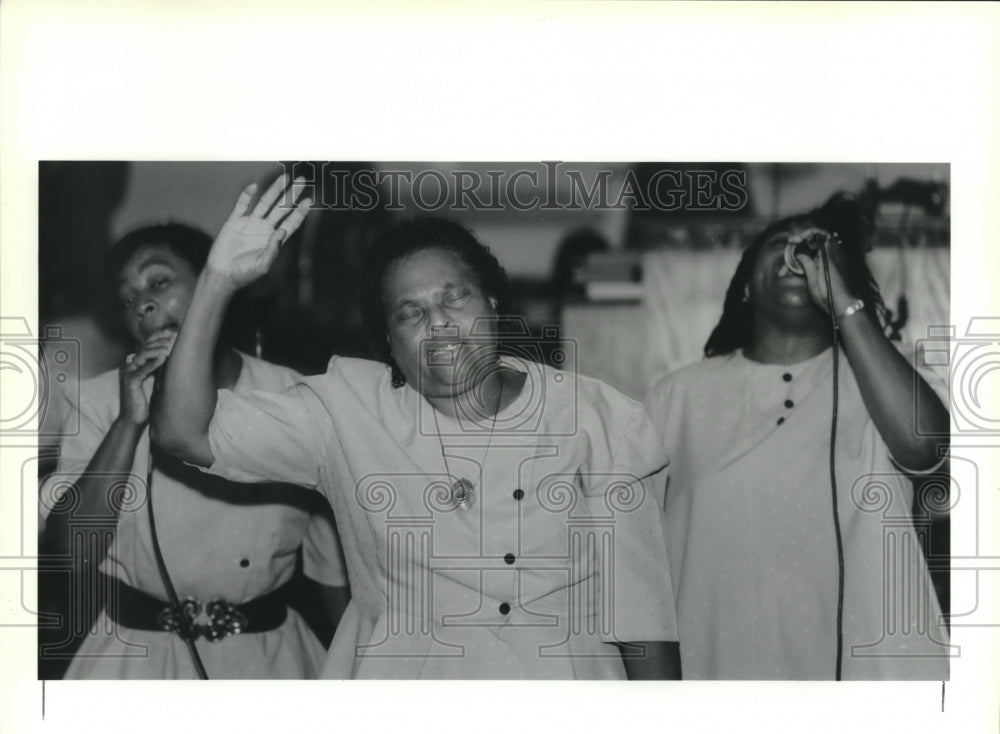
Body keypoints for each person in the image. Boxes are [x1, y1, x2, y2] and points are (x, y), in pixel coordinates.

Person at [153, 176, 681, 679]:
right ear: (389, 341)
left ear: (493, 304)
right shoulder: (345, 412)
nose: (440, 323)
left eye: (456, 297)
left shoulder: (598, 418)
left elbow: (642, 617)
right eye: (411, 313)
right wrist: (217, 283)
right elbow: (183, 433)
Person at [644, 193, 951, 680]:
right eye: (780, 243)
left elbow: (927, 444)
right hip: (721, 677)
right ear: (745, 287)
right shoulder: (676, 397)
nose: (799, 251)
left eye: (817, 246)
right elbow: (636, 566)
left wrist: (846, 305)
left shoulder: (885, 379)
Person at [41, 224, 347, 679]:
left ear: (214, 284)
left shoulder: (293, 397)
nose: (142, 305)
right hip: (134, 664)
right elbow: (72, 554)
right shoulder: (99, 403)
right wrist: (128, 424)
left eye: (158, 282)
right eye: (128, 299)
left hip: (268, 665)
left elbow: (332, 565)